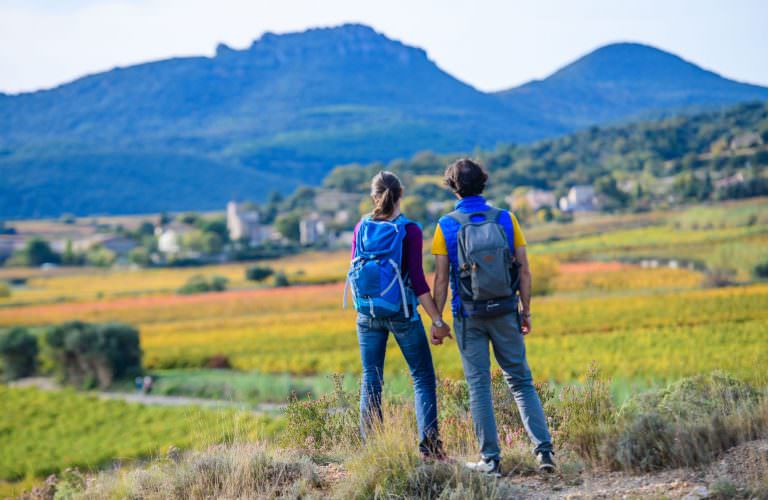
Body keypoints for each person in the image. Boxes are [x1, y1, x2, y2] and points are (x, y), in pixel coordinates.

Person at [430, 158, 555, 476]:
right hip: (504, 311)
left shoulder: (446, 225)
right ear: (483, 183)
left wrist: (438, 320)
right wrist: (525, 310)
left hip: (468, 315)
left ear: (452, 187)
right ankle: (544, 453)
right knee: (521, 381)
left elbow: (442, 280)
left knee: (479, 386)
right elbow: (524, 270)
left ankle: (491, 460)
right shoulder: (506, 219)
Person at [346, 171, 450, 459]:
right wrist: (438, 321)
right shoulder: (409, 230)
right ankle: (429, 449)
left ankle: (372, 450)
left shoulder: (361, 227)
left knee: (371, 378)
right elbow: (417, 281)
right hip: (401, 313)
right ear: (400, 194)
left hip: (366, 313)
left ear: (373, 196)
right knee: (423, 378)